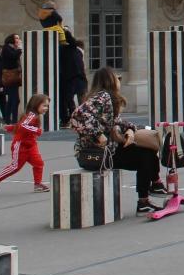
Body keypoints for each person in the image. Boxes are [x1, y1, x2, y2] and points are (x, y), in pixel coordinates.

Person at [70, 67, 164, 214]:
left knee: (147, 153)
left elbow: (118, 122)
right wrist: (98, 134)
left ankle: (151, 190)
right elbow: (78, 115)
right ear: (110, 80)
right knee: (146, 155)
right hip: (97, 155)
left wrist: (130, 129)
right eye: (117, 77)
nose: (119, 80)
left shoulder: (104, 98)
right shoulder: (104, 96)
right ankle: (150, 192)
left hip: (101, 153)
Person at [0, 93, 49, 193]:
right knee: (15, 167)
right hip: (21, 145)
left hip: (31, 145)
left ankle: (38, 184)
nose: (46, 108)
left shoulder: (33, 115)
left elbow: (20, 126)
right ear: (36, 104)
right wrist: (37, 130)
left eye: (47, 106)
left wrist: (10, 127)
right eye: (44, 105)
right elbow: (23, 126)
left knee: (38, 163)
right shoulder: (31, 115)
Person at [0, 34, 23, 125]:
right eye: (16, 38)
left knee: (11, 99)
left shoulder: (11, 48)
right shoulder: (7, 48)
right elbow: (13, 57)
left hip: (13, 75)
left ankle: (8, 119)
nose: (18, 40)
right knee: (15, 99)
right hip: (10, 76)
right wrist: (19, 49)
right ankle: (13, 120)